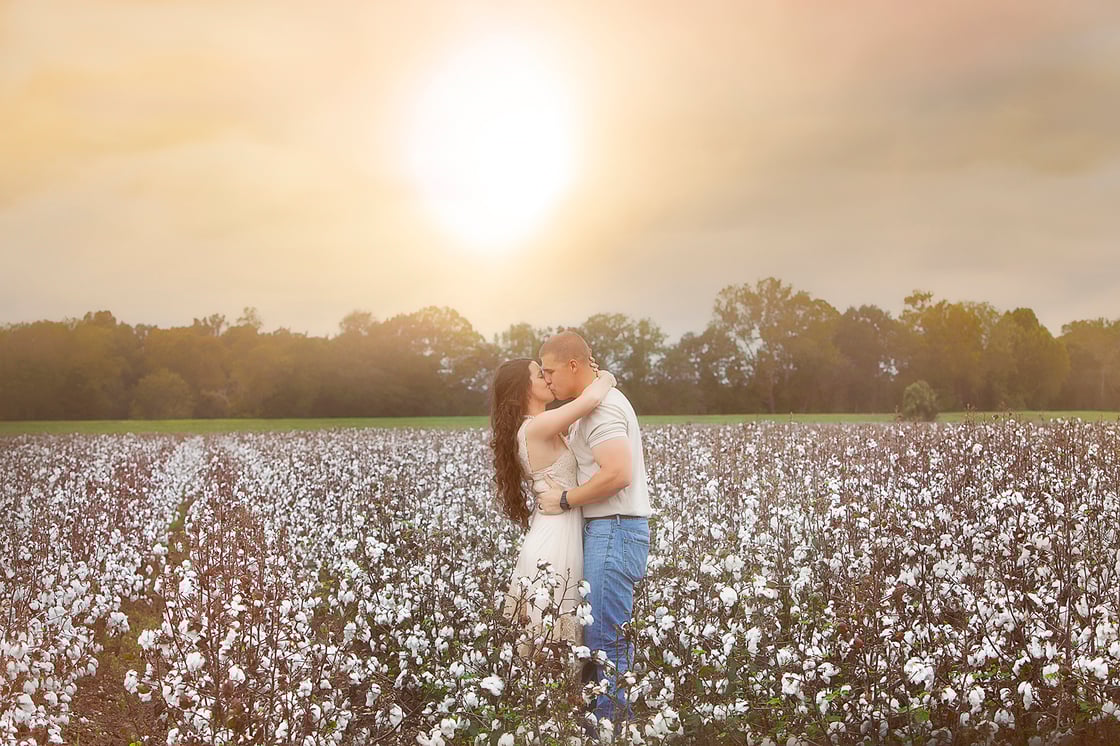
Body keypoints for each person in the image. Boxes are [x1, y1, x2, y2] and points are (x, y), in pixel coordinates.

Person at [535, 331, 652, 728]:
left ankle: (613, 730)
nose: (547, 380)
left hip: (613, 531)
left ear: (573, 365)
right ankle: (605, 723)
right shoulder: (594, 407)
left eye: (550, 371)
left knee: (607, 642)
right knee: (601, 639)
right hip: (609, 532)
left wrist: (565, 499)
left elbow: (617, 473)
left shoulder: (601, 411)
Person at [488, 357, 617, 664]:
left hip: (554, 530)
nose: (547, 379)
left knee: (551, 636)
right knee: (553, 638)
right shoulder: (538, 427)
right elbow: (593, 398)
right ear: (524, 389)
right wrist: (606, 376)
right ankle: (555, 706)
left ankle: (552, 707)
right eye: (539, 374)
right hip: (556, 540)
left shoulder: (542, 426)